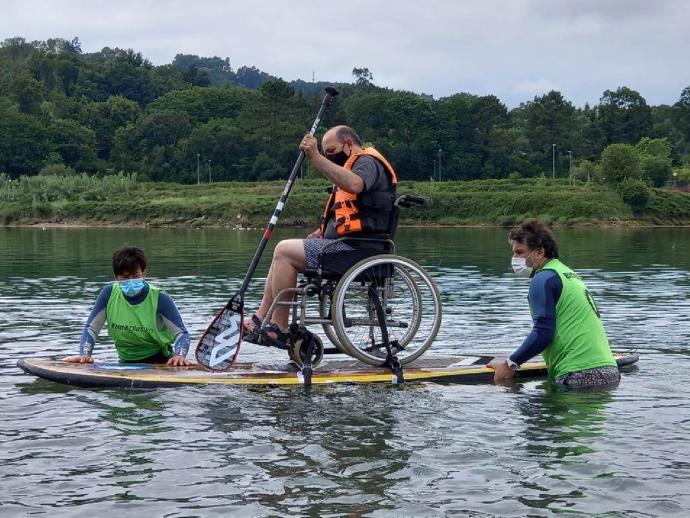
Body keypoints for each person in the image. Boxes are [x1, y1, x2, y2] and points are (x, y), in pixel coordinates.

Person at [243, 125, 397, 347]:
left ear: (349, 144)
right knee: (282, 253)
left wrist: (314, 157)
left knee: (284, 251)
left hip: (359, 250)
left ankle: (280, 328)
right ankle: (261, 318)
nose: (329, 157)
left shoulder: (367, 162)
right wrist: (321, 233)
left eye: (331, 150)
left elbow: (355, 184)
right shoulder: (350, 166)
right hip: (343, 245)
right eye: (325, 153)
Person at [488, 221, 619, 388]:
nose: (515, 259)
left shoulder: (542, 279)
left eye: (520, 252)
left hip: (578, 374)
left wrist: (509, 364)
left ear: (540, 252)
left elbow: (543, 332)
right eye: (514, 253)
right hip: (609, 371)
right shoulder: (567, 273)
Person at [66, 246, 192, 366]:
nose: (131, 281)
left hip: (161, 361)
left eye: (136, 276)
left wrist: (179, 356)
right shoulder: (108, 294)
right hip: (125, 362)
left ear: (144, 273)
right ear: (116, 277)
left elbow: (182, 333)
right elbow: (91, 329)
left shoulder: (160, 298)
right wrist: (85, 355)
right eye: (125, 277)